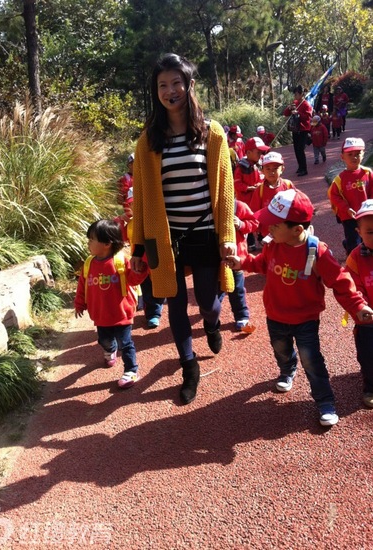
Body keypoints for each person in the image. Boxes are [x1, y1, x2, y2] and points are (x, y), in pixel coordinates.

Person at [131, 53, 236, 405]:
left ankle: (211, 322)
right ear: (155, 92)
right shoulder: (148, 140)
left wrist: (228, 238)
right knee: (174, 305)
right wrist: (138, 248)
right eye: (162, 85)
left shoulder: (212, 133)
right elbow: (143, 198)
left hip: (205, 231)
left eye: (176, 82)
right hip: (167, 237)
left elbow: (225, 190)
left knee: (208, 300)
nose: (170, 90)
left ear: (188, 85)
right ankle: (188, 366)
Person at [226, 188, 373, 427]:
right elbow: (262, 263)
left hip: (305, 319)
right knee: (280, 349)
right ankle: (287, 369)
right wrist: (242, 262)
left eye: (274, 225)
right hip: (275, 315)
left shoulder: (317, 252)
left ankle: (325, 401)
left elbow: (340, 282)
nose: (268, 228)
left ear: (296, 230)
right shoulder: (273, 244)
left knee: (312, 361)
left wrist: (357, 306)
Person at [74, 219, 149, 389]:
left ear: (107, 243)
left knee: (126, 343)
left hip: (121, 313)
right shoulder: (89, 263)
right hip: (100, 315)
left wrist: (142, 269)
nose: (88, 243)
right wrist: (79, 303)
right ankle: (110, 349)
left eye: (92, 239)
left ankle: (131, 370)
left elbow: (134, 279)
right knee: (104, 340)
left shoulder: (121, 260)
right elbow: (82, 286)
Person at [114, 187, 165, 328]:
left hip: (156, 259)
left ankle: (158, 305)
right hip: (140, 261)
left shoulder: (155, 219)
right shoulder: (130, 223)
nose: (135, 207)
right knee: (147, 286)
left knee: (160, 285)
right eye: (131, 204)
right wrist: (120, 221)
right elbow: (121, 238)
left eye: (138, 204)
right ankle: (153, 314)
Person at [345, 199, 373, 408]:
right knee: (368, 355)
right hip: (368, 320)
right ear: (359, 232)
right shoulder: (356, 257)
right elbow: (352, 287)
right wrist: (361, 306)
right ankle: (370, 386)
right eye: (370, 232)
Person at [327, 137, 373, 255]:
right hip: (349, 216)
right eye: (350, 154)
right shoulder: (339, 179)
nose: (354, 157)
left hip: (366, 213)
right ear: (343, 157)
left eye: (358, 153)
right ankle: (353, 260)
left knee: (367, 236)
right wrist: (346, 209)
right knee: (354, 241)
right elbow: (334, 196)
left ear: (363, 154)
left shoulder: (367, 173)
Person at [227, 198, 259, 331]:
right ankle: (211, 313)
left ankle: (241, 315)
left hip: (237, 256)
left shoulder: (238, 205)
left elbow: (254, 222)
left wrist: (241, 224)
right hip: (216, 257)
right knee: (215, 290)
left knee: (237, 289)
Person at [233, 136, 269, 251]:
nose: (260, 154)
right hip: (246, 201)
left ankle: (262, 239)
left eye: (261, 152)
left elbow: (263, 178)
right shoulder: (242, 167)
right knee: (247, 221)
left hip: (258, 199)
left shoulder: (259, 163)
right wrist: (248, 188)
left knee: (261, 219)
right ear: (248, 152)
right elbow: (237, 184)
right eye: (258, 152)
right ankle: (250, 243)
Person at [250, 151, 295, 242]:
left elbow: (296, 203)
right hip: (267, 233)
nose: (272, 172)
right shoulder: (260, 190)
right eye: (268, 169)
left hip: (286, 231)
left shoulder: (288, 185)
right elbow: (254, 211)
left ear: (282, 169)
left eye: (275, 168)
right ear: (262, 171)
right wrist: (256, 227)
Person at [283, 85, 313, 176]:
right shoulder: (295, 103)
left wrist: (298, 113)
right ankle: (300, 167)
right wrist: (289, 108)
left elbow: (307, 117)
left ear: (301, 94)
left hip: (303, 129)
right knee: (296, 149)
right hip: (295, 129)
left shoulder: (306, 104)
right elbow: (285, 114)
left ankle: (304, 169)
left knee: (300, 149)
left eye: (296, 94)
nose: (295, 96)